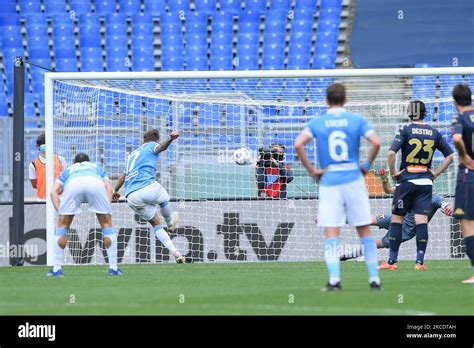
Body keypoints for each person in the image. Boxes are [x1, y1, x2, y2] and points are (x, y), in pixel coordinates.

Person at [294, 83, 382, 291]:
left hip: (330, 181)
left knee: (332, 231)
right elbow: (376, 142)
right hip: (353, 179)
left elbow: (298, 144)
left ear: (326, 100)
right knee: (364, 230)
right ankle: (374, 279)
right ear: (345, 100)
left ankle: (334, 280)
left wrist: (313, 171)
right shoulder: (357, 120)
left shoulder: (318, 122)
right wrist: (366, 166)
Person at [387, 100, 454, 270]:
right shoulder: (434, 132)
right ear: (425, 113)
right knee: (421, 221)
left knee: (397, 219)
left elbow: (390, 153)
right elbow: (450, 156)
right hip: (425, 182)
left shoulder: (405, 130)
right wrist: (435, 173)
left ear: (409, 113)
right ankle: (419, 262)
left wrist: (393, 172)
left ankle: (392, 262)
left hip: (407, 180)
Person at [340, 169, 454, 267]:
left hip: (406, 230)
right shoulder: (410, 188)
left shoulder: (435, 198)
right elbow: (388, 190)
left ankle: (346, 256)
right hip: (395, 218)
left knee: (375, 244)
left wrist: (449, 209)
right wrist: (384, 178)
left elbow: (446, 205)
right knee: (365, 219)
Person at [112, 129, 185, 264]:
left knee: (156, 224)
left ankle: (176, 253)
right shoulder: (152, 145)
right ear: (155, 139)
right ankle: (170, 225)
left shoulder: (132, 155)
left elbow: (123, 176)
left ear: (143, 139)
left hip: (131, 196)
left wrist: (114, 190)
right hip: (147, 187)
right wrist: (171, 139)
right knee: (164, 199)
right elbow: (160, 148)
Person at [48, 153, 120, 277]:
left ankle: (56, 269)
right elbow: (109, 188)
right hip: (95, 183)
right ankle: (113, 268)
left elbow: (53, 192)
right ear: (88, 161)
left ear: (74, 162)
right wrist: (106, 206)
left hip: (73, 184)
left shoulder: (69, 170)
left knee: (62, 227)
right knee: (107, 225)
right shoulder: (96, 167)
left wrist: (61, 211)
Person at [451, 84, 474, 284]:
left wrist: (464, 155)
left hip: (469, 174)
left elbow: (457, 138)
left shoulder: (460, 118)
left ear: (454, 102)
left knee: (467, 222)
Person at [29, 133, 66, 201]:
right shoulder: (33, 164)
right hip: (42, 200)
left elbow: (65, 180)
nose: (45, 146)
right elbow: (34, 185)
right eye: (42, 144)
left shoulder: (61, 160)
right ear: (37, 146)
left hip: (59, 199)